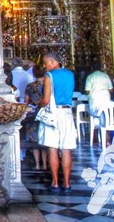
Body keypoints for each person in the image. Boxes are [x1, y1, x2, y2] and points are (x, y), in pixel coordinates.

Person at [40, 52, 77, 194]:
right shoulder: (70, 74)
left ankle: (55, 183)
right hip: (67, 113)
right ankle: (67, 183)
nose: (45, 66)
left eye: (46, 63)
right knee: (66, 149)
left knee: (53, 148)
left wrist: (38, 106)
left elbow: (46, 100)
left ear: (52, 62)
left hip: (54, 115)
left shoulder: (49, 76)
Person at [24, 65, 48, 171]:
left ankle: (37, 164)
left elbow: (26, 101)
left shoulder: (29, 86)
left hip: (33, 114)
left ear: (33, 74)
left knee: (34, 140)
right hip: (45, 113)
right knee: (44, 138)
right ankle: (45, 164)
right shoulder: (48, 86)